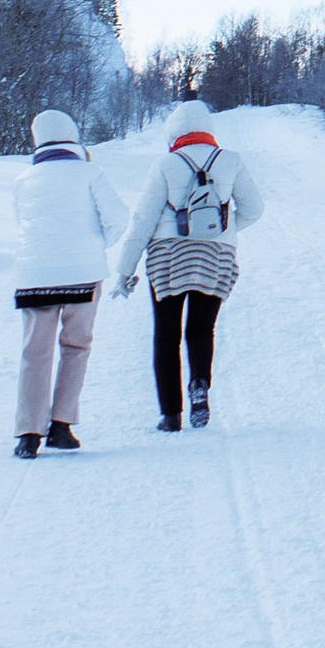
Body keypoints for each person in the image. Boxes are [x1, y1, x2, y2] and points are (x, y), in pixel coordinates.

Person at [113, 96, 266, 433]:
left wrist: (125, 270)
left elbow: (143, 220)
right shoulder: (231, 161)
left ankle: (170, 415)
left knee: (166, 335)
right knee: (200, 329)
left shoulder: (165, 165)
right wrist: (223, 231)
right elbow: (254, 209)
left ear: (174, 132)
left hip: (168, 259)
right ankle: (199, 383)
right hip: (216, 257)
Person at [10, 108, 126, 459]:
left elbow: (22, 224)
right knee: (76, 346)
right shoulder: (90, 173)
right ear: (73, 136)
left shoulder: (23, 180)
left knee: (35, 352)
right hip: (82, 274)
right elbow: (118, 219)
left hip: (34, 276)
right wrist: (94, 246)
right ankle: (61, 425)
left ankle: (28, 434)